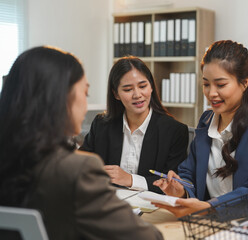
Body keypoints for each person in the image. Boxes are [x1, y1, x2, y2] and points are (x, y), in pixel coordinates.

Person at [0, 46, 163, 240]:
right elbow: (146, 237)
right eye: (85, 94)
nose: (86, 105)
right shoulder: (77, 170)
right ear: (60, 98)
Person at [153, 40, 248, 217]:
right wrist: (180, 189)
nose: (211, 93)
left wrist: (211, 207)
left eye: (221, 84)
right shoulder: (206, 121)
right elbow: (189, 172)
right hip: (209, 222)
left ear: (244, 83)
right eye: (206, 84)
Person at [80, 56, 188, 193]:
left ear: (151, 87)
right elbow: (81, 165)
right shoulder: (101, 125)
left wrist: (130, 179)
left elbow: (172, 185)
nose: (137, 95)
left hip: (152, 209)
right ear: (116, 94)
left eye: (143, 86)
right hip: (107, 203)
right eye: (128, 89)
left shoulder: (175, 131)